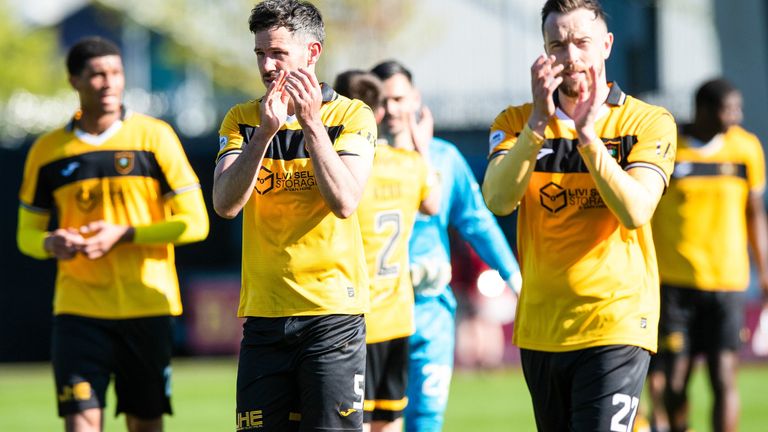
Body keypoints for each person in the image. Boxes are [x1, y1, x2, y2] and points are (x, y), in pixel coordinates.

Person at [482, 0, 677, 429]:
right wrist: (537, 125)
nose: (571, 57)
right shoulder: (516, 122)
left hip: (616, 323)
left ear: (606, 45)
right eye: (558, 44)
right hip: (542, 327)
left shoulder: (647, 122)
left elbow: (635, 210)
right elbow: (497, 200)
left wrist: (589, 140)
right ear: (544, 52)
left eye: (582, 42)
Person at [16, 36, 209, 432]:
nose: (109, 83)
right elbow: (26, 235)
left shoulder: (156, 138)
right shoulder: (48, 150)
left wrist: (126, 234)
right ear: (74, 80)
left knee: (145, 424)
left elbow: (196, 224)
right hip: (79, 312)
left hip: (148, 306)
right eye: (97, 74)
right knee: (81, 425)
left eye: (116, 73)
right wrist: (50, 243)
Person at [212, 2, 377, 431]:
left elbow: (344, 200)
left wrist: (311, 125)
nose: (267, 65)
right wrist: (266, 133)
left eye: (278, 53)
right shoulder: (243, 119)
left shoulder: (352, 116)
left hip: (332, 319)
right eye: (260, 54)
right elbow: (225, 203)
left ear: (312, 51)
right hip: (264, 321)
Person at [370, 60, 521, 432]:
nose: (391, 109)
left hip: (432, 313)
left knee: (427, 420)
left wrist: (515, 277)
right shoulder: (358, 160)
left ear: (416, 99)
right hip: (375, 315)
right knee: (373, 423)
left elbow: (477, 223)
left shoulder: (444, 159)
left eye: (399, 98)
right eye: (382, 100)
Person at [651, 78, 768, 432]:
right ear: (703, 110)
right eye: (728, 108)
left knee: (723, 377)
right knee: (673, 382)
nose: (737, 116)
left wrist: (764, 270)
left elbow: (754, 212)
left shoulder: (746, 148)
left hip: (728, 282)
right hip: (674, 282)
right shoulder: (669, 146)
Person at [334, 70, 439, 432]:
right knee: (389, 422)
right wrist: (421, 146)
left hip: (351, 321)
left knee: (353, 424)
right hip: (398, 316)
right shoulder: (408, 165)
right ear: (378, 114)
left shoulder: (338, 172)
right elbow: (434, 204)